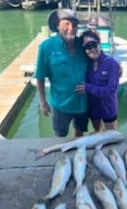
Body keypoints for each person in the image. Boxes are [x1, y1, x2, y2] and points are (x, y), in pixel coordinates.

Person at [34, 9, 89, 137]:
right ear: (58, 25)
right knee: (60, 135)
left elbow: (98, 57)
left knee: (79, 134)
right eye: (67, 24)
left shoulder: (83, 44)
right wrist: (43, 102)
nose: (71, 28)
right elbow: (40, 76)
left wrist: (115, 67)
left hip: (83, 103)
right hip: (60, 105)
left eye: (74, 24)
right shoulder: (46, 47)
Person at [75, 30, 120, 132]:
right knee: (97, 134)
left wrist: (88, 87)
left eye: (94, 45)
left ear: (99, 44)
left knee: (111, 137)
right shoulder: (86, 64)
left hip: (108, 109)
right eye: (87, 47)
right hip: (93, 109)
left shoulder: (111, 64)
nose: (92, 49)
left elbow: (111, 89)